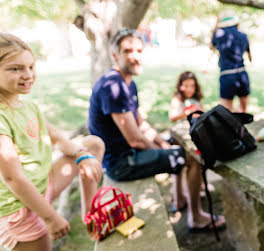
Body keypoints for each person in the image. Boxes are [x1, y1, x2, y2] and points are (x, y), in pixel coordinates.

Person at [88, 29, 226, 231]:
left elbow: (141, 124)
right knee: (193, 158)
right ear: (115, 55)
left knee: (175, 141)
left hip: (128, 152)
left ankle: (178, 200)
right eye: (128, 51)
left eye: (139, 50)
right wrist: (160, 149)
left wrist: (161, 142)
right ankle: (196, 218)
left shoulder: (126, 83)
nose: (135, 56)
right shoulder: (113, 87)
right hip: (122, 162)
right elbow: (135, 140)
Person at [0, 33, 104, 251]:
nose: (28, 75)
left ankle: (91, 218)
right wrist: (50, 217)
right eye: (15, 68)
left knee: (92, 145)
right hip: (19, 205)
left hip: (43, 183)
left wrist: (82, 154)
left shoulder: (29, 107)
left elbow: (57, 139)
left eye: (30, 67)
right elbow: (12, 178)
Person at [211, 10, 252, 113]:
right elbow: (250, 57)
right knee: (243, 111)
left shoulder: (219, 34)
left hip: (227, 74)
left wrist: (216, 26)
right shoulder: (243, 36)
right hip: (242, 73)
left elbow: (211, 46)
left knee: (226, 111)